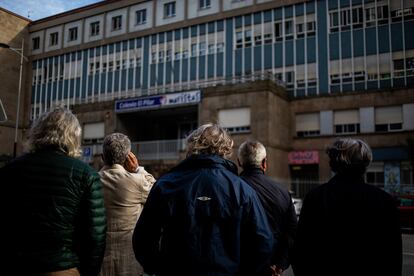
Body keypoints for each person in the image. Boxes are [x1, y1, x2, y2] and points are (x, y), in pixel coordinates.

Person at [132, 123, 274, 276]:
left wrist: (159, 268)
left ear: (193, 146)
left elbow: (143, 238)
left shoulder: (166, 184)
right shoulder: (243, 190)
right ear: (226, 149)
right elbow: (264, 243)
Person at [0, 107, 106, 276]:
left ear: (37, 132)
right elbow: (95, 236)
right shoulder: (86, 174)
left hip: (16, 265)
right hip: (62, 267)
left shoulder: (10, 169)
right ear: (74, 136)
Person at [292, 138, 402, 276]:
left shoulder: (316, 197)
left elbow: (301, 251)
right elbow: (393, 257)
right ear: (366, 163)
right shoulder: (385, 201)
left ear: (333, 163)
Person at [99, 133, 155, 276]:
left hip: (100, 261)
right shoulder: (138, 182)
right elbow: (157, 191)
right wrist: (138, 169)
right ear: (128, 158)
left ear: (102, 157)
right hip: (130, 261)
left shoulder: (91, 180)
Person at [238, 141, 297, 276]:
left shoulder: (232, 189)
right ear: (264, 163)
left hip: (240, 267)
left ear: (239, 162)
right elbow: (292, 232)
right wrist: (280, 264)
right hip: (271, 268)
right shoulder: (282, 192)